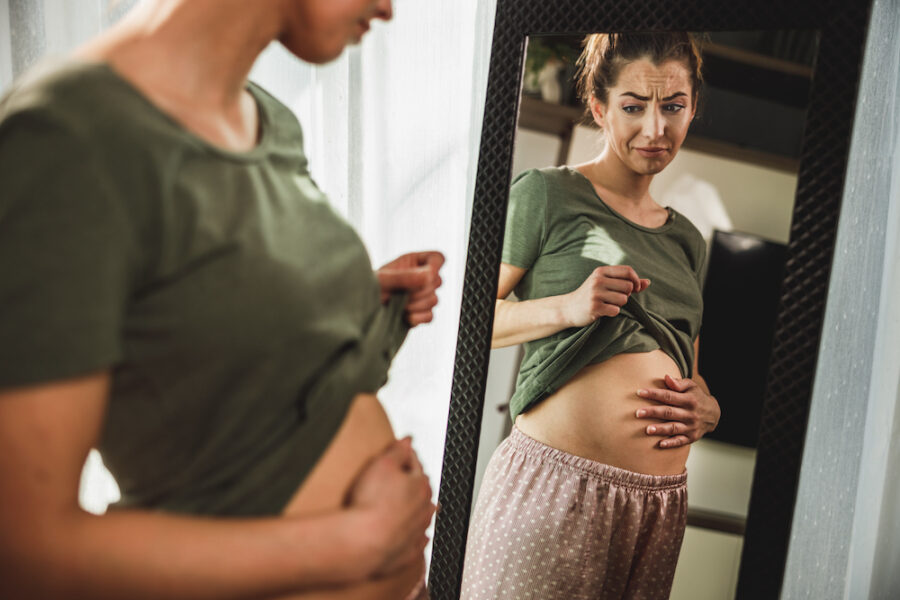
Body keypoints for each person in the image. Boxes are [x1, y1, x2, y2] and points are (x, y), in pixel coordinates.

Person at [0, 1, 443, 598]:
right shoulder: (67, 138)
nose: (389, 7)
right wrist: (359, 543)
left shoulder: (270, 119)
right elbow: (24, 551)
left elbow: (240, 385)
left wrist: (346, 300)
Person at [460, 32, 721, 599]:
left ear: (692, 108)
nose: (656, 129)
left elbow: (688, 369)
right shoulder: (547, 194)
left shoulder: (688, 242)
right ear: (600, 109)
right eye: (633, 107)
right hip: (557, 489)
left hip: (657, 509)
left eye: (673, 107)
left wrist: (708, 406)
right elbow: (463, 323)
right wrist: (568, 306)